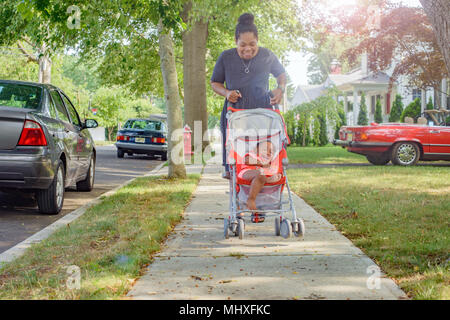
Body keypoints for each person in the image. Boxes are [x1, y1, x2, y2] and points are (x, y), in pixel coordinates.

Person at [210, 13, 287, 179]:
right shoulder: (226, 57)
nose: (248, 49)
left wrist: (280, 88)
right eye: (242, 44)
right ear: (235, 41)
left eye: (252, 44)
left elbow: (281, 74)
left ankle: (261, 191)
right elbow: (215, 83)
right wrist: (227, 92)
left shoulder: (267, 55)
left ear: (258, 40)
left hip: (262, 112)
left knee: (263, 159)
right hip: (235, 112)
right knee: (236, 158)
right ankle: (238, 190)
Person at [238, 140, 281, 221]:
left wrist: (276, 175)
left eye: (271, 152)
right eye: (264, 150)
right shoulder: (253, 155)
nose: (268, 153)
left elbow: (274, 171)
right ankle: (251, 199)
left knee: (264, 175)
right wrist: (261, 163)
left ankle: (267, 180)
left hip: (260, 181)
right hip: (247, 173)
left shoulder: (270, 164)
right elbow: (247, 160)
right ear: (256, 150)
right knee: (261, 173)